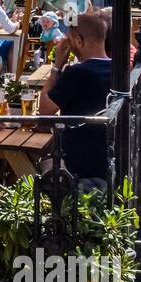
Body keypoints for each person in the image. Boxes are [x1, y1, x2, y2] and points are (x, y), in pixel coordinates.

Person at [39, 12, 111, 187]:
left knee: (41, 160)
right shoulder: (117, 68)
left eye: (70, 40)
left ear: (79, 41)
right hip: (106, 156)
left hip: (77, 163)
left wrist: (57, 66)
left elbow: (45, 110)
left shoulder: (78, 72)